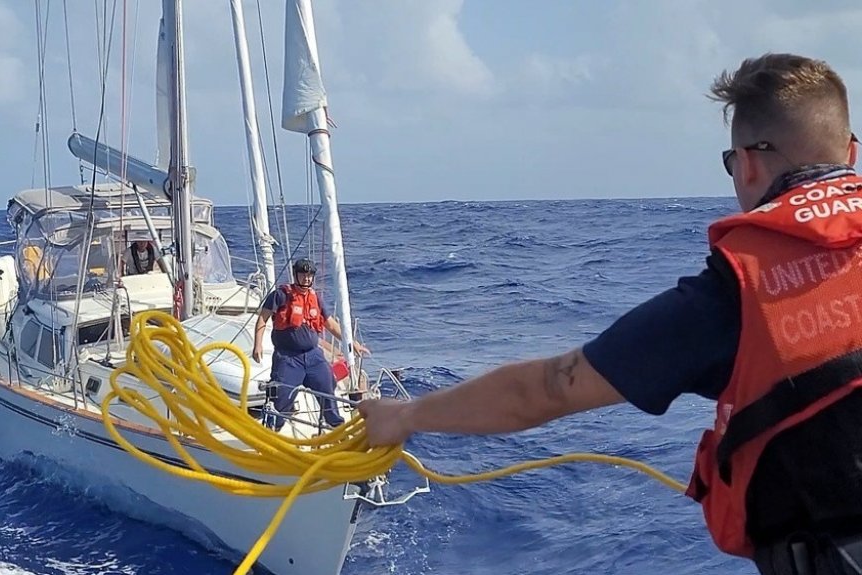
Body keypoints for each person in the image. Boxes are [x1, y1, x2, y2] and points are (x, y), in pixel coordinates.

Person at [359, 53, 862, 575]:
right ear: (849, 151)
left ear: (748, 162)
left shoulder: (731, 296)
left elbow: (550, 387)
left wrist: (404, 415)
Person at [252, 257, 369, 430]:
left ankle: (337, 428)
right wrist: (258, 344)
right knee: (282, 394)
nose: (306, 278)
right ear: (295, 275)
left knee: (327, 386)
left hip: (313, 356)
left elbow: (330, 324)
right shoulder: (280, 295)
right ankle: (272, 430)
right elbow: (263, 318)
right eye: (303, 274)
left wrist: (352, 343)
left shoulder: (315, 299)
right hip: (288, 357)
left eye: (309, 275)